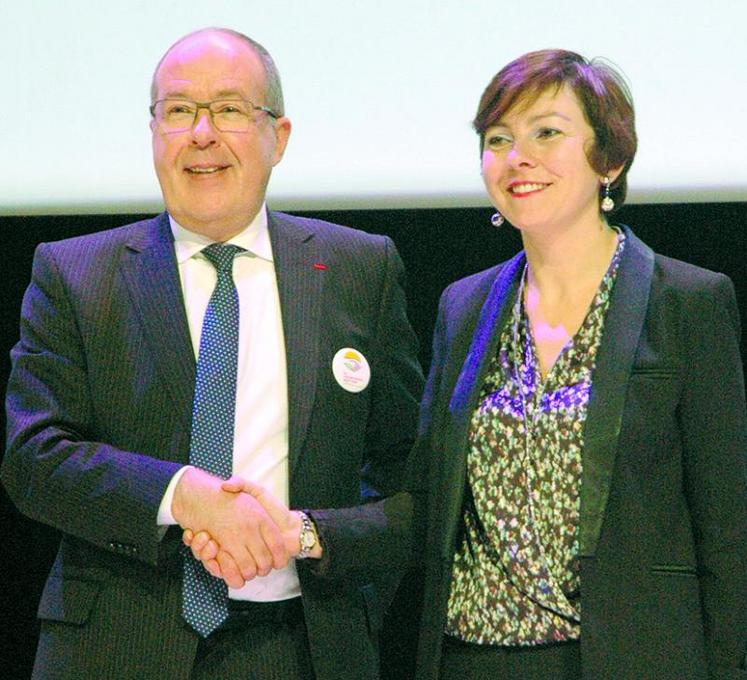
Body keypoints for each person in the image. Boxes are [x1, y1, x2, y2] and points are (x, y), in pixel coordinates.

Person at [191, 49, 747, 678]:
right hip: (468, 657)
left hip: (626, 657)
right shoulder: (466, 305)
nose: (518, 158)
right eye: (498, 138)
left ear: (610, 161)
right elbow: (427, 501)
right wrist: (303, 534)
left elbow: (727, 532)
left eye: (548, 133)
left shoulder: (689, 302)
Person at [1, 27, 423, 680]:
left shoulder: (356, 269)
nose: (201, 133)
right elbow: (33, 460)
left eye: (228, 109)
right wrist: (184, 495)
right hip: (116, 647)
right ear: (153, 135)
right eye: (177, 111)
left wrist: (312, 539)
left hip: (305, 649)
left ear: (277, 137)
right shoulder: (75, 273)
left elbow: (406, 479)